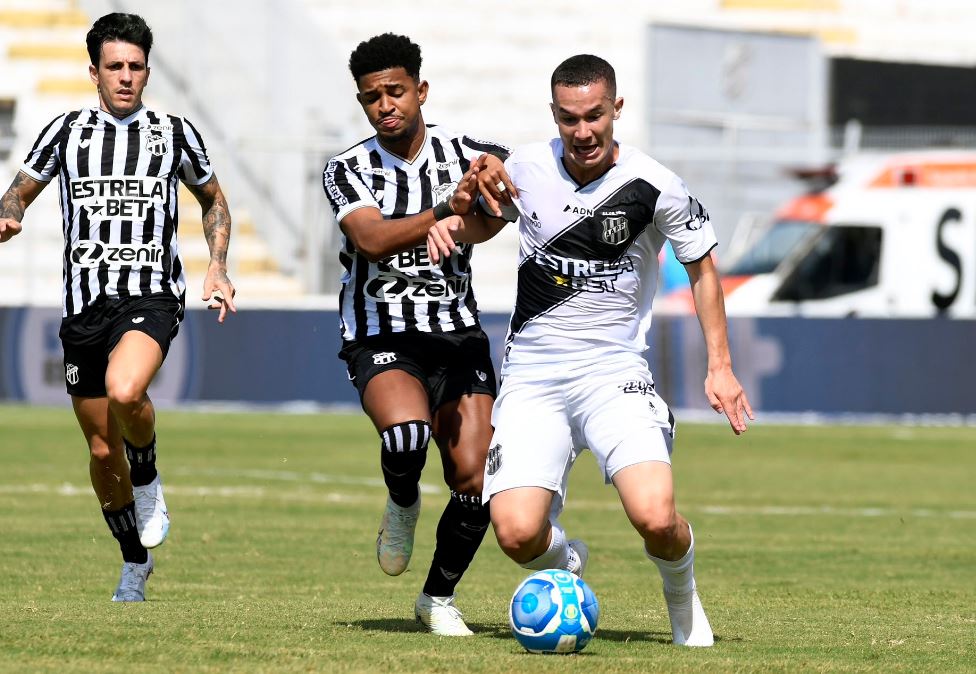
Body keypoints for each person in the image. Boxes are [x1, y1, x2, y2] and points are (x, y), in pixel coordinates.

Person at [427, 54, 754, 647]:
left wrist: (721, 367)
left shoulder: (655, 186)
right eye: (569, 118)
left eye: (594, 116)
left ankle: (683, 602)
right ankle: (567, 564)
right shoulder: (525, 167)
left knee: (656, 518)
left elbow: (704, 269)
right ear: (554, 114)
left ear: (616, 109)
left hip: (613, 374)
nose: (582, 132)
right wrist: (452, 220)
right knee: (517, 535)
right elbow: (484, 222)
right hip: (533, 377)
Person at [0, 13, 236, 602]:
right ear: (94, 73)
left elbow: (213, 200)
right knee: (102, 449)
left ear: (148, 72)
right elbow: (20, 189)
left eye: (135, 67)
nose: (125, 77)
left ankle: (150, 473)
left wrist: (217, 265)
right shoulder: (65, 132)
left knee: (127, 390)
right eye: (114, 67)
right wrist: (10, 213)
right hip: (83, 307)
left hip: (151, 294)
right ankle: (135, 562)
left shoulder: (174, 132)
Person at [321, 33, 511, 636]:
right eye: (372, 97)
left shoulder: (466, 152)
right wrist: (440, 211)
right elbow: (372, 239)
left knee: (476, 480)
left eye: (396, 91)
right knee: (405, 438)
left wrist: (471, 210)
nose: (386, 106)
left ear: (421, 91)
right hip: (383, 335)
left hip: (456, 335)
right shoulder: (344, 169)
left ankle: (438, 598)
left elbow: (494, 216)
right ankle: (402, 502)